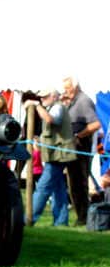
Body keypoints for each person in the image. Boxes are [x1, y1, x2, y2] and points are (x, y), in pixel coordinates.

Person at [26, 89, 76, 226]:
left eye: (45, 97)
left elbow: (49, 119)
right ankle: (61, 221)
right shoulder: (53, 107)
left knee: (43, 188)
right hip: (56, 155)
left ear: (54, 96)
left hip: (58, 156)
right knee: (58, 189)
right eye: (40, 98)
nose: (42, 99)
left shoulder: (58, 107)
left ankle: (29, 219)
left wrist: (36, 106)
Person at [63, 76, 101, 225]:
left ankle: (84, 216)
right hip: (73, 149)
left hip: (81, 148)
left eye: (68, 88)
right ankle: (81, 215)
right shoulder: (73, 101)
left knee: (79, 183)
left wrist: (78, 135)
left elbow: (96, 124)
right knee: (73, 183)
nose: (65, 91)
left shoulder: (84, 101)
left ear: (75, 86)